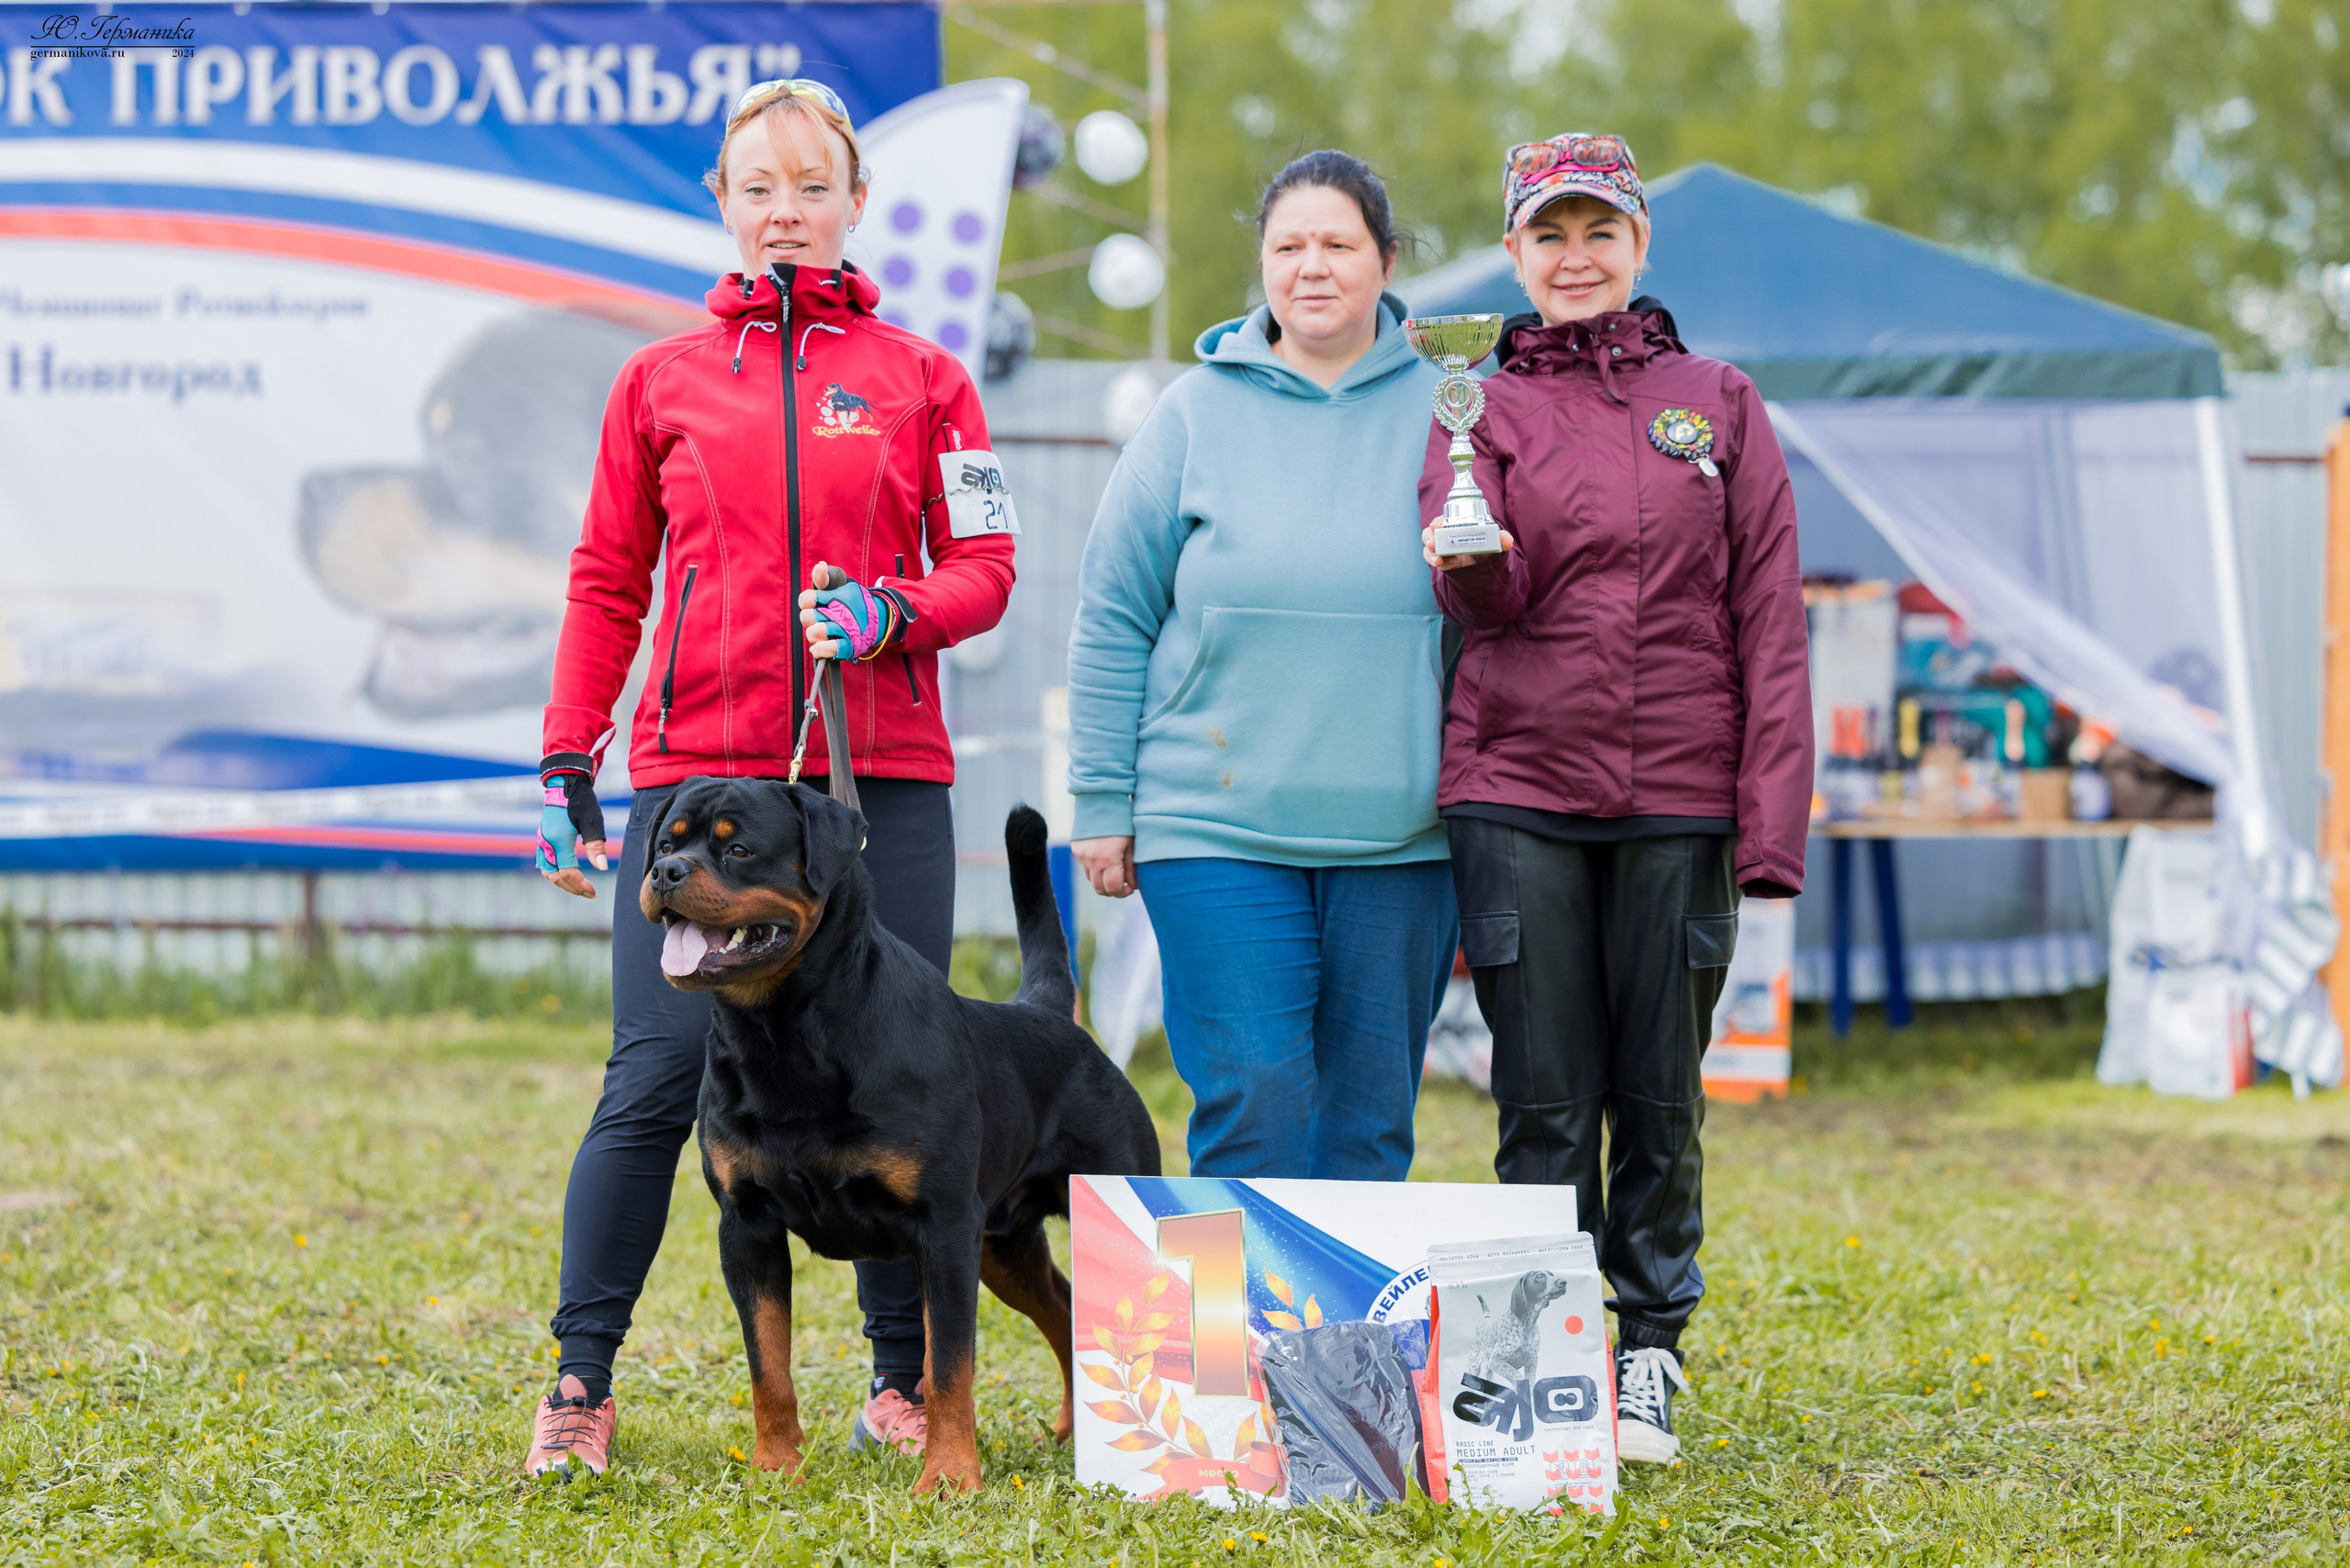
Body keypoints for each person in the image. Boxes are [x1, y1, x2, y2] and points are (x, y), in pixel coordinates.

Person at [521, 78, 1016, 1480]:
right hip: (693, 787)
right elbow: (608, 581)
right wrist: (572, 747)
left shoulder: (929, 377)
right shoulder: (657, 381)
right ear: (723, 205)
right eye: (759, 187)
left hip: (882, 782)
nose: (786, 212)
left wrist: (891, 612)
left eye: (813, 187)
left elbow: (986, 569)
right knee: (654, 1073)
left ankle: (900, 1385)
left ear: (856, 203)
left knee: (900, 1086)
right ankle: (579, 1383)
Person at [1421, 132, 1812, 1465]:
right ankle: (1544, 1351)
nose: (1574, 257)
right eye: (1548, 234)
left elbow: (1771, 620)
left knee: (1657, 1091)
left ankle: (1647, 1348)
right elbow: (1479, 597)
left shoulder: (1719, 400)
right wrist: (1470, 557)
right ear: (1516, 255)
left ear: (1640, 244)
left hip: (1679, 797)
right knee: (1541, 1093)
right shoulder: (1470, 399)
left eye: (1599, 232)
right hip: (1516, 788)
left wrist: (1769, 825)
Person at [1068, 151, 1459, 1182]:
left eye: (1338, 244)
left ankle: (1344, 1348)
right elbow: (1113, 613)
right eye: (1288, 246)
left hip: (1405, 835)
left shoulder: (1457, 406)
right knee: (1254, 1098)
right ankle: (1233, 1346)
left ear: (1385, 260)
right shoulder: (1191, 414)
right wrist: (1102, 800)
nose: (1311, 267)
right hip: (1216, 824)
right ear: (1262, 265)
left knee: (1370, 1121)